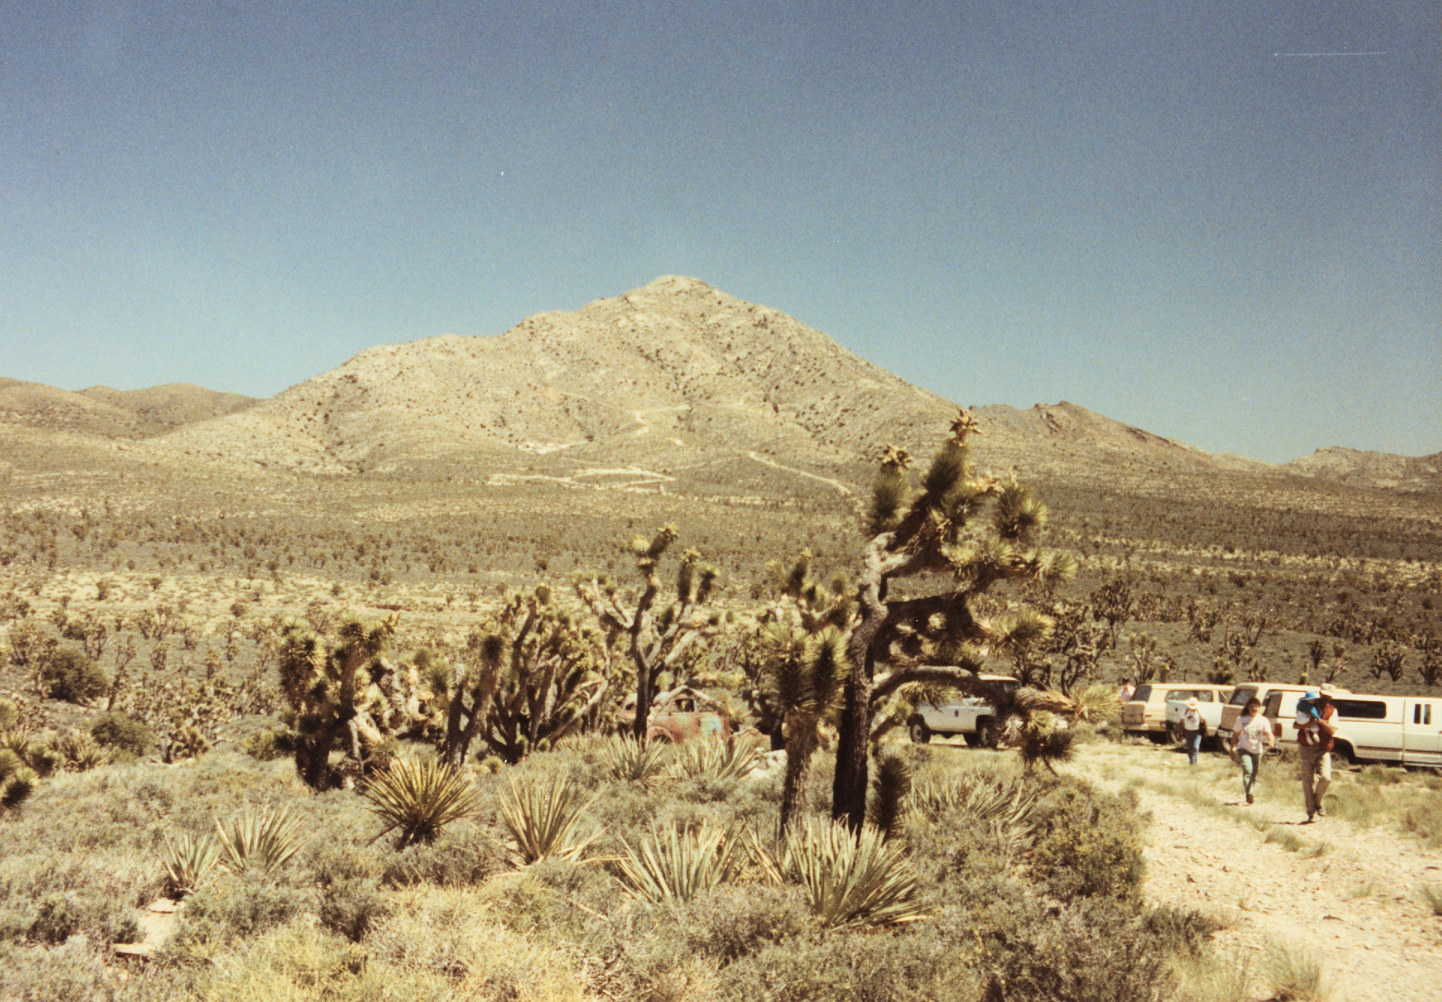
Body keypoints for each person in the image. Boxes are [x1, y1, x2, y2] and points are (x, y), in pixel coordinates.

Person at [1296, 688, 1337, 823]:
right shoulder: (1307, 705)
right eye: (1324, 696)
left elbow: (1332, 731)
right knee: (1307, 781)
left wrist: (1319, 721)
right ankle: (1310, 812)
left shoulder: (1332, 711)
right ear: (1320, 694)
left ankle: (1317, 802)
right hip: (1306, 747)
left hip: (1323, 748)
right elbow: (1296, 724)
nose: (1325, 699)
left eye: (1328, 697)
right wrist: (1310, 723)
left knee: (1326, 777)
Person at [1228, 695, 1275, 804]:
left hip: (1257, 750)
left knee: (1254, 773)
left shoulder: (1263, 720)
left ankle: (1250, 790)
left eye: (1256, 707)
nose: (1254, 709)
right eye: (1252, 706)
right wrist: (1231, 748)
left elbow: (1269, 733)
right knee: (1248, 770)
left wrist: (1271, 741)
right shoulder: (1241, 719)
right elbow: (1235, 734)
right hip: (1243, 748)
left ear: (1259, 708)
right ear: (1248, 707)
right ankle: (1250, 794)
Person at [1180, 697, 1205, 765]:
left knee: (1196, 746)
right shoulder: (1185, 711)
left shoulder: (1199, 711)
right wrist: (1180, 731)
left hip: (1197, 731)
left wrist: (1206, 731)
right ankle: (1191, 760)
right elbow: (1181, 722)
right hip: (1188, 731)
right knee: (1189, 746)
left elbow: (1204, 720)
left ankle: (1195, 759)